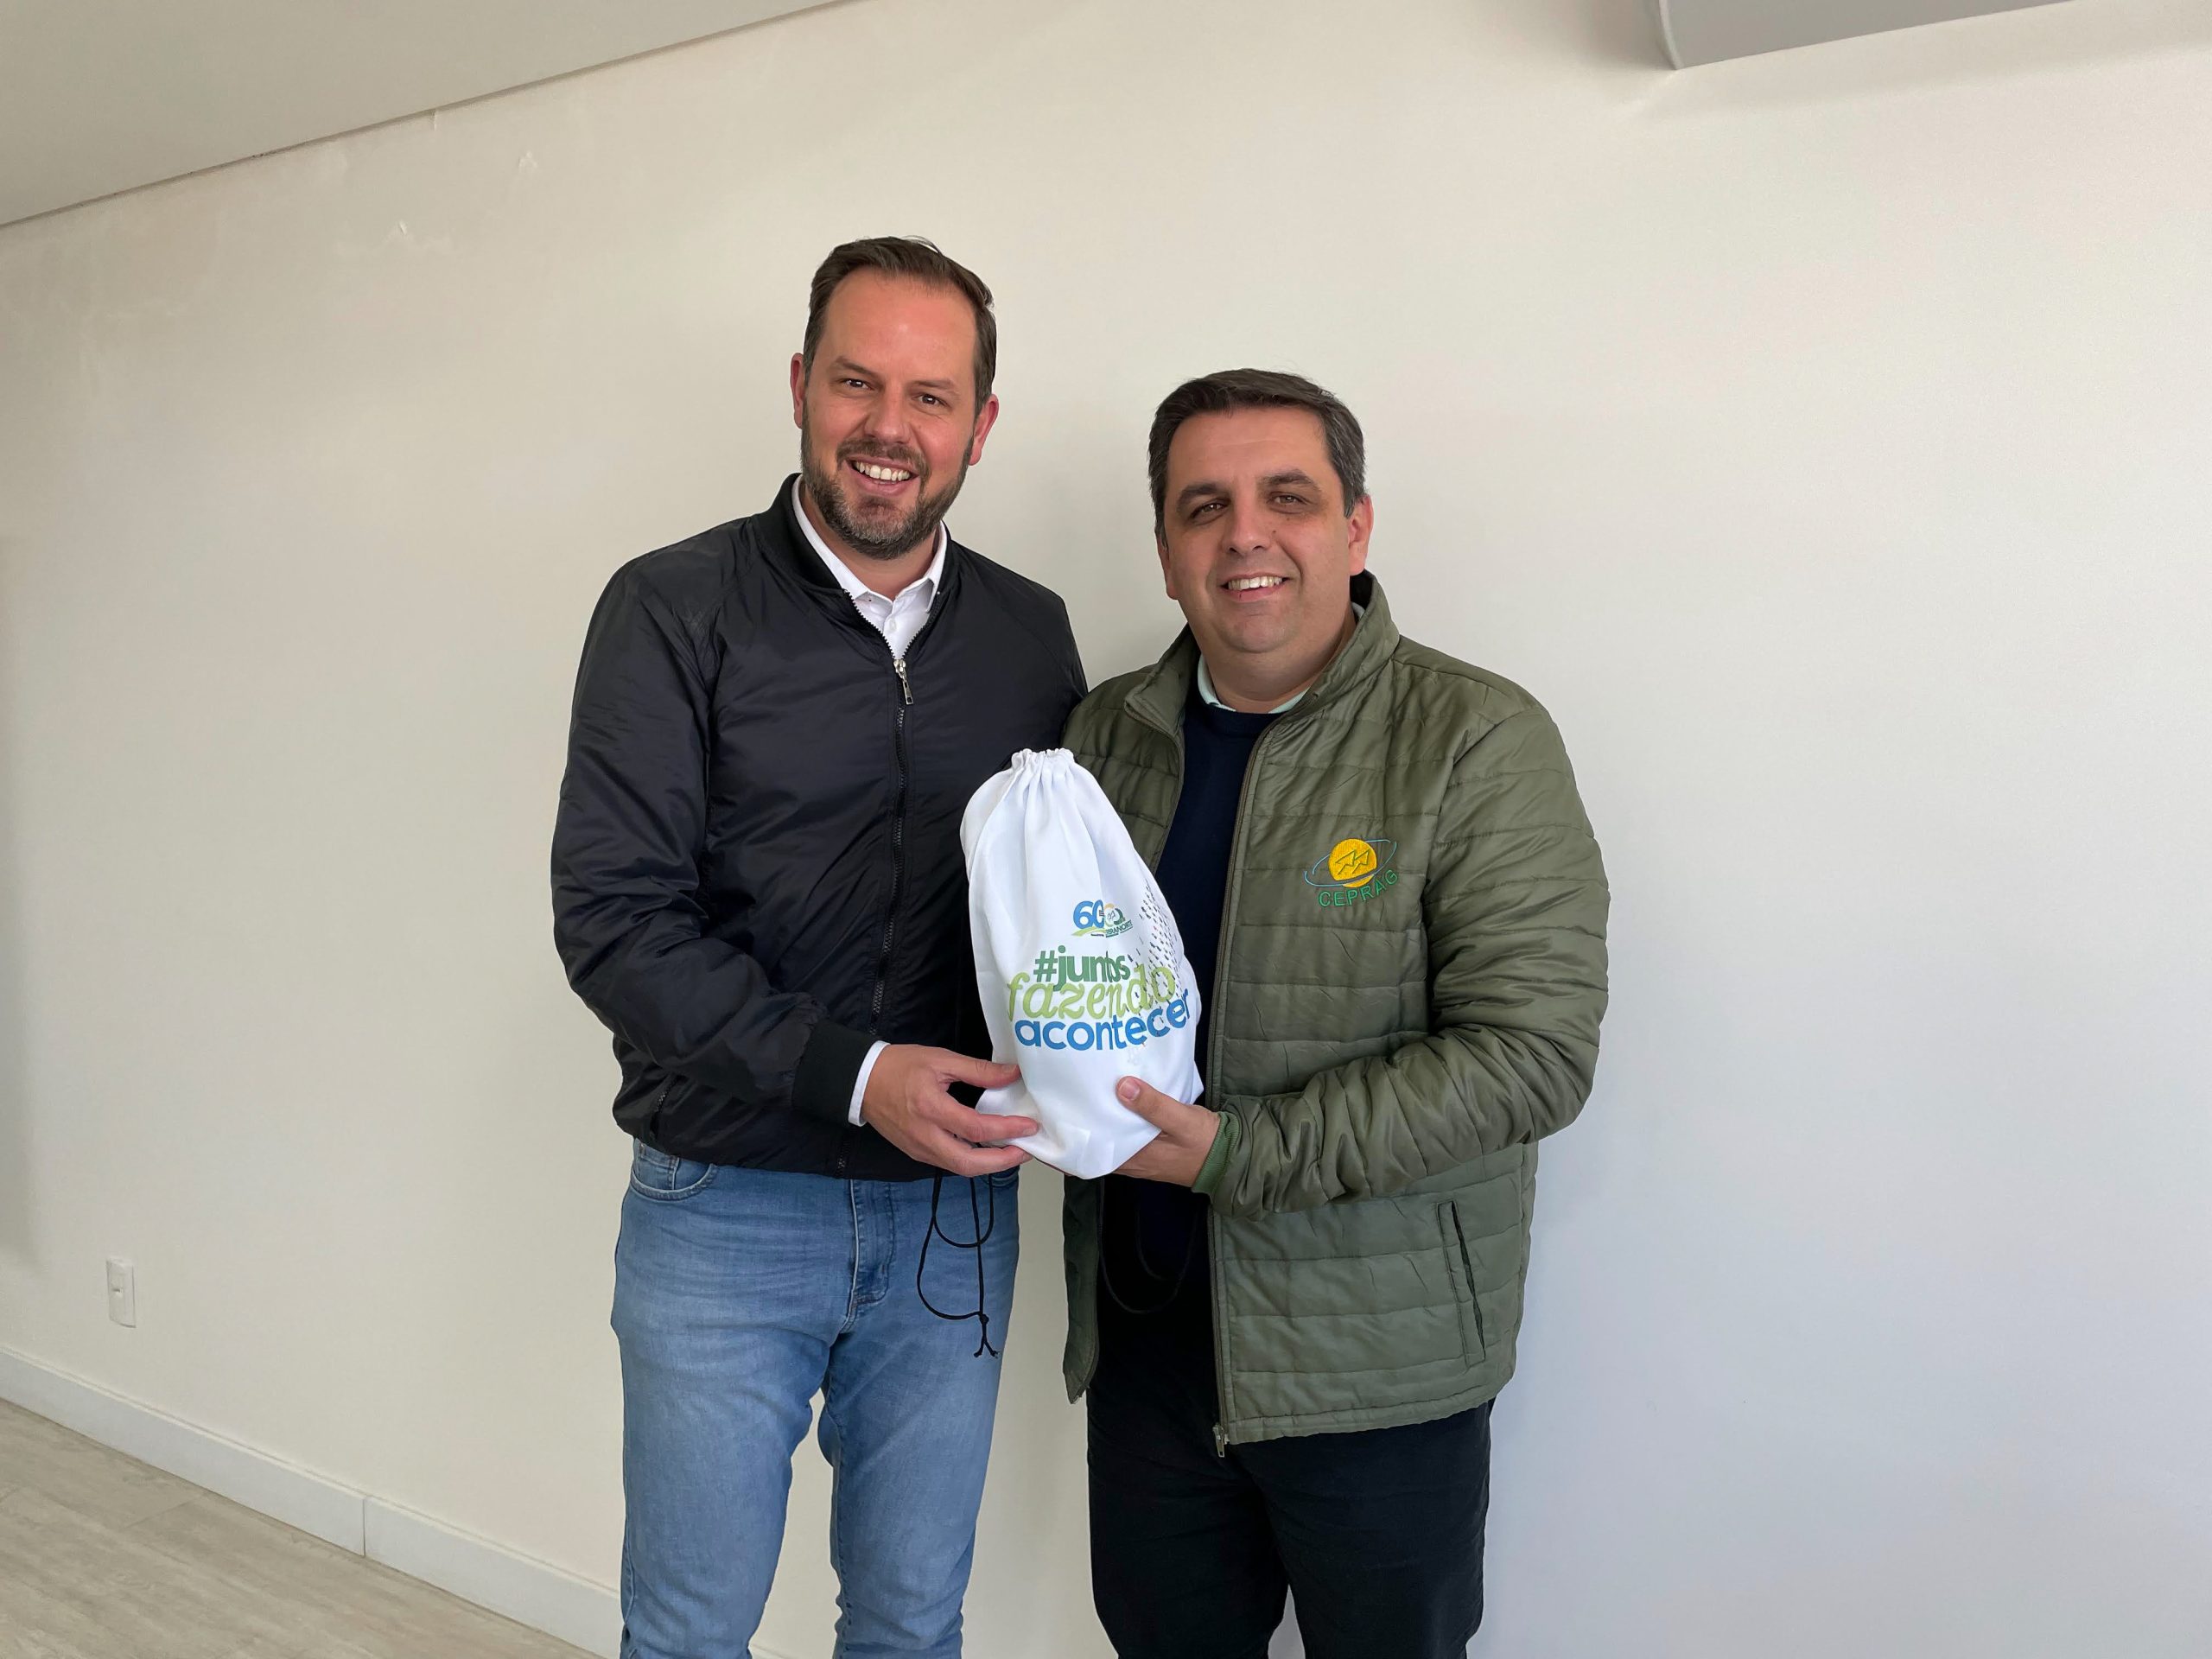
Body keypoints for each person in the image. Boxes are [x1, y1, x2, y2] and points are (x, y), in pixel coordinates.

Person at [552, 236, 1085, 1659]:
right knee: (688, 1634)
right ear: (800, 385)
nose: (887, 428)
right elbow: (615, 921)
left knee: (911, 1626)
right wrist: (856, 1075)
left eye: (930, 395)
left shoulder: (1032, 636)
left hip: (951, 1217)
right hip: (724, 1205)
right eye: (857, 382)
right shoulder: (671, 607)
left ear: (980, 424)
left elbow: (1063, 907)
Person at [1060, 369, 1610, 1658]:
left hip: (1375, 1372)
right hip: (1148, 1349)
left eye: (1288, 498)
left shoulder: (1476, 738)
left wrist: (1239, 1151)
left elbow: (1534, 1053)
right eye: (1204, 506)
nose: (1244, 535)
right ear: (1165, 551)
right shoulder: (1098, 741)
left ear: (1355, 529)